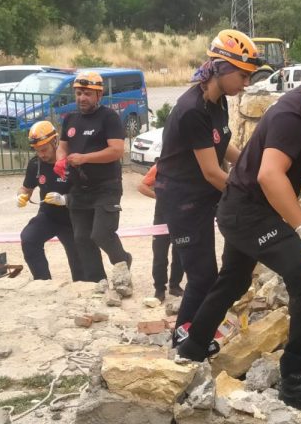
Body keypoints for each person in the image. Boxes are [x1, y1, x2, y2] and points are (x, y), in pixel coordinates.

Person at [175, 36, 301, 410]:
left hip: (246, 209)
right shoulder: (292, 114)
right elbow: (271, 176)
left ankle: (191, 347)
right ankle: (297, 380)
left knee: (234, 280)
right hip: (248, 212)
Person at [154, 29, 260, 334]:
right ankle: (183, 338)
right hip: (182, 199)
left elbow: (221, 143)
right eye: (243, 75)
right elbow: (212, 172)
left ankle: (201, 327)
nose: (246, 83)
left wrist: (249, 164)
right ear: (222, 69)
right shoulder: (191, 110)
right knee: (201, 277)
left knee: (215, 273)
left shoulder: (218, 101)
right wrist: (248, 193)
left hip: (202, 195)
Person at [54, 71, 129, 281]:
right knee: (82, 238)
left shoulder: (109, 117)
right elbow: (62, 148)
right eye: (78, 93)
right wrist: (60, 160)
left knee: (101, 234)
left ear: (99, 95)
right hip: (78, 188)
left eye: (87, 93)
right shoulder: (70, 118)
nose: (82, 98)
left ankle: (123, 265)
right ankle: (98, 281)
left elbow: (116, 151)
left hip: (106, 186)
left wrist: (85, 158)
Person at [17, 120, 86, 281]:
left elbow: (87, 193)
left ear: (55, 142)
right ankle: (43, 282)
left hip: (74, 219)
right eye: (37, 150)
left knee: (80, 267)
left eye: (44, 149)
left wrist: (65, 199)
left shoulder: (72, 161)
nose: (41, 154)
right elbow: (26, 188)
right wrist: (21, 196)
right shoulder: (36, 164)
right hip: (49, 216)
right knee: (28, 238)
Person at [137, 164, 184, 301]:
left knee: (180, 253)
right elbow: (141, 186)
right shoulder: (160, 166)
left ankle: (175, 285)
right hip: (162, 216)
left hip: (183, 216)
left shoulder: (190, 164)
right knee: (160, 254)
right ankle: (159, 288)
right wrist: (157, 196)